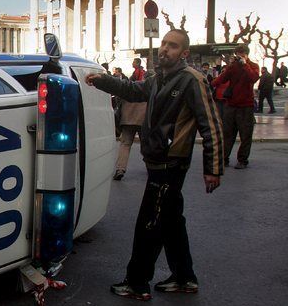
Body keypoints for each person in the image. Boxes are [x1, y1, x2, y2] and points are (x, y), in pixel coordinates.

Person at [84, 29, 223, 301]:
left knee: (150, 223)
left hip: (171, 164)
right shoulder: (157, 78)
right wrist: (102, 81)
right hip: (156, 161)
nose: (164, 50)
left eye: (172, 46)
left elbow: (212, 126)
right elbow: (132, 91)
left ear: (184, 53)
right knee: (171, 221)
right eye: (163, 44)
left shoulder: (192, 80)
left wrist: (213, 169)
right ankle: (184, 277)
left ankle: (137, 283)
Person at [211, 44, 259, 169]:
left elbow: (253, 78)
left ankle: (242, 160)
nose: (239, 55)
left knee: (245, 135)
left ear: (246, 54)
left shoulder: (253, 66)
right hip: (231, 105)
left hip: (246, 106)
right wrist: (209, 83)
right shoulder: (233, 67)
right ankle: (224, 158)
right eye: (238, 53)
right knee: (228, 134)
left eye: (242, 53)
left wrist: (245, 64)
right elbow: (222, 78)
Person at [113, 59, 148, 180]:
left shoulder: (128, 87)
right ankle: (151, 166)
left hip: (127, 120)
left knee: (125, 144)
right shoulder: (147, 89)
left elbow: (119, 102)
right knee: (146, 144)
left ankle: (120, 169)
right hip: (143, 120)